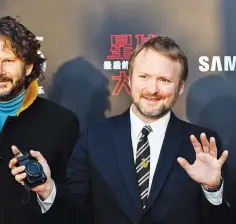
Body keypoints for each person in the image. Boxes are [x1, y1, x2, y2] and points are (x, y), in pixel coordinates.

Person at [10, 35, 230, 224]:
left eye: (164, 80)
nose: (152, 89)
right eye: (144, 77)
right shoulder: (94, 137)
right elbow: (74, 215)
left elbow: (223, 219)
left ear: (180, 86)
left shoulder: (203, 144)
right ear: (130, 80)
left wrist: (213, 191)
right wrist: (48, 190)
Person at [0, 16, 80, 224]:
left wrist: (47, 190)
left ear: (27, 67)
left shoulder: (62, 123)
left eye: (8, 61)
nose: (0, 71)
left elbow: (78, 207)